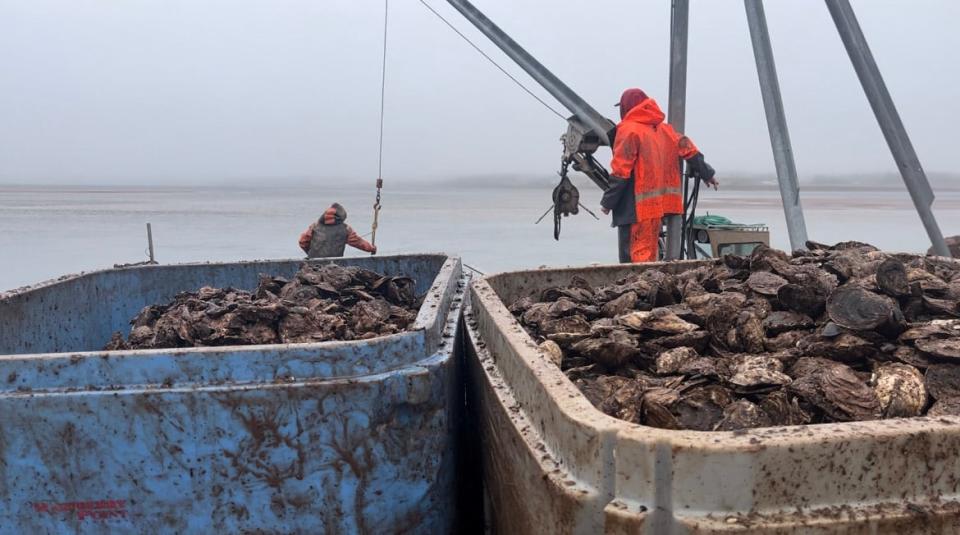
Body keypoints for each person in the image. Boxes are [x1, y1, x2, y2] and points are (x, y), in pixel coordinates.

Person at [600, 88, 718, 263]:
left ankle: (637, 289)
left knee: (634, 259)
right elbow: (688, 147)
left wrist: (608, 202)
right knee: (648, 255)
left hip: (636, 209)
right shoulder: (664, 130)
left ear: (626, 107)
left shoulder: (629, 130)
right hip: (656, 208)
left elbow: (621, 170)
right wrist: (707, 173)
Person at [298, 203, 377, 258]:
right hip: (335, 265)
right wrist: (371, 248)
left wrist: (310, 253)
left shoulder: (314, 226)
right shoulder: (346, 229)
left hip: (313, 264)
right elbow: (358, 242)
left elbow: (302, 242)